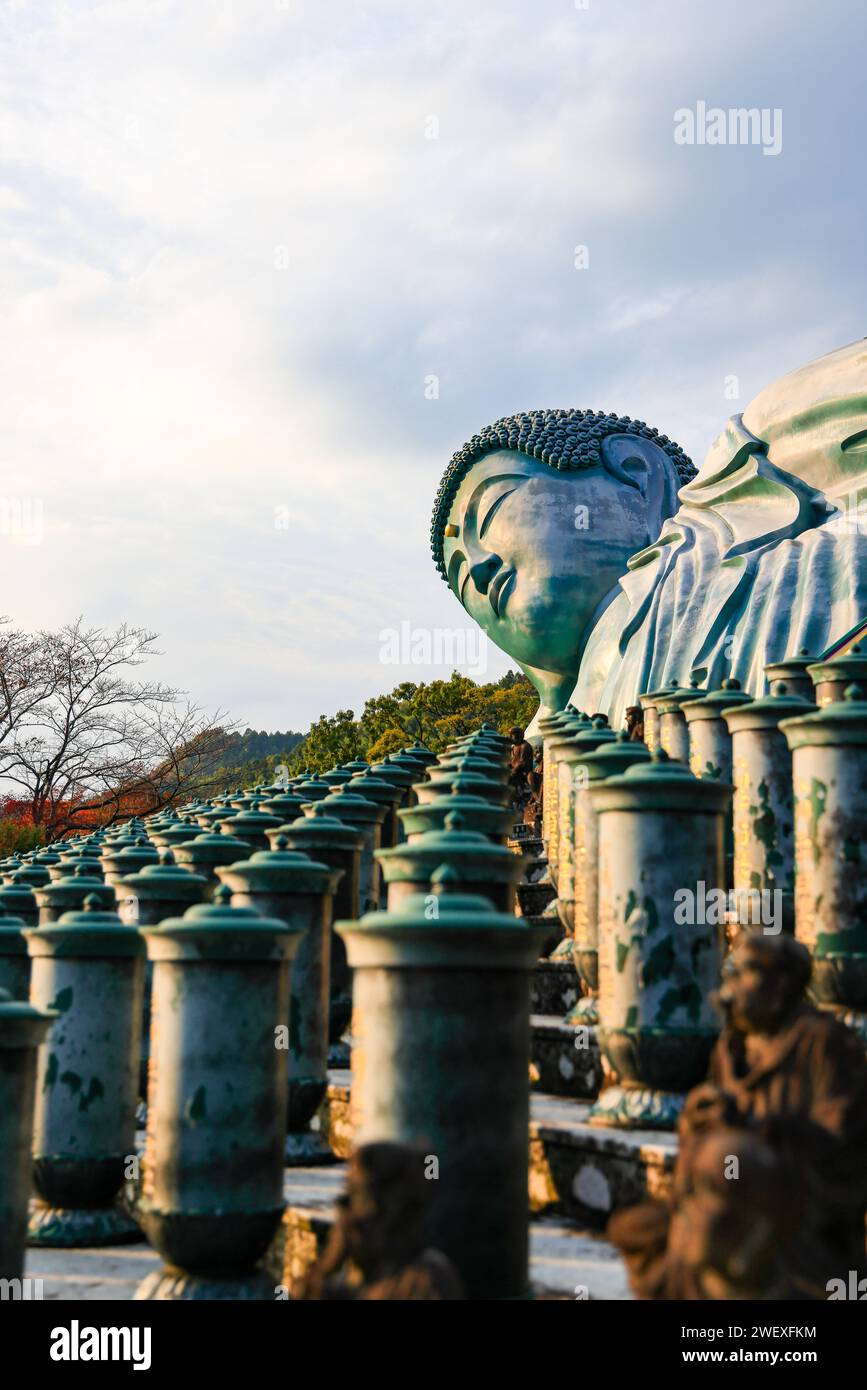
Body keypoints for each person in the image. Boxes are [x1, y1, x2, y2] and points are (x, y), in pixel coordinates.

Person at [608, 932, 867, 1299]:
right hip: (717, 1192)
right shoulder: (731, 1046)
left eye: (746, 973)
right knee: (633, 1228)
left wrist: (760, 1132)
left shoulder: (825, 1043)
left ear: (782, 984)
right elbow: (704, 1139)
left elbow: (845, 1151)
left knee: (717, 1230)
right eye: (731, 974)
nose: (733, 986)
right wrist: (697, 1121)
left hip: (789, 1210)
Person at [297, 1142, 464, 1301]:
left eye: (353, 1198)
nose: (344, 1213)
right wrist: (326, 1267)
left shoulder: (423, 1280)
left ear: (388, 1209)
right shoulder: (350, 1281)